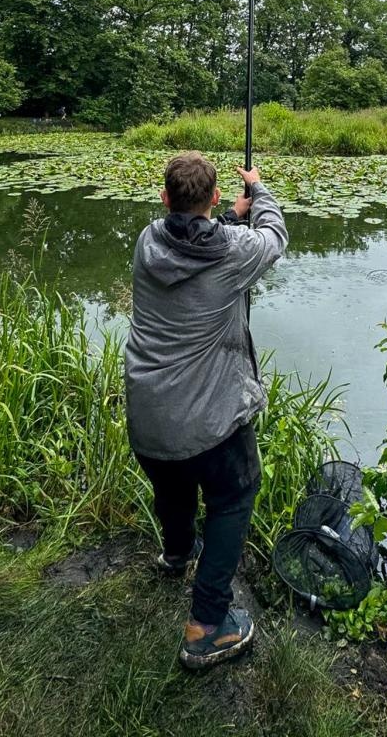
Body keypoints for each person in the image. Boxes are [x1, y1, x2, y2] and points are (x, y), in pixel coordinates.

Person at [124, 151, 288, 669]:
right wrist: (258, 193)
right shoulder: (235, 253)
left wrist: (227, 218)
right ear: (213, 197)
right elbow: (275, 238)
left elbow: (191, 238)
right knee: (235, 496)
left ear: (165, 198)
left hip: (148, 416)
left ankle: (176, 555)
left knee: (171, 485)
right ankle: (206, 625)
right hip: (208, 422)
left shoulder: (147, 242)